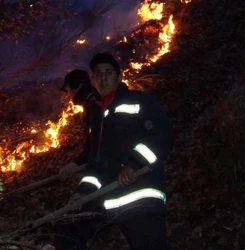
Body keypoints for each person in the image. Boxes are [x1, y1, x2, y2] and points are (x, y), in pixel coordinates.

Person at [56, 52, 173, 250]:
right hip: (105, 197)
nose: (103, 78)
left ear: (119, 77)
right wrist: (82, 193)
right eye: (98, 74)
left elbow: (161, 135)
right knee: (66, 236)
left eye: (108, 73)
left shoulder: (138, 101)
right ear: (92, 80)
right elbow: (94, 163)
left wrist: (133, 164)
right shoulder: (96, 116)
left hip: (138, 194)